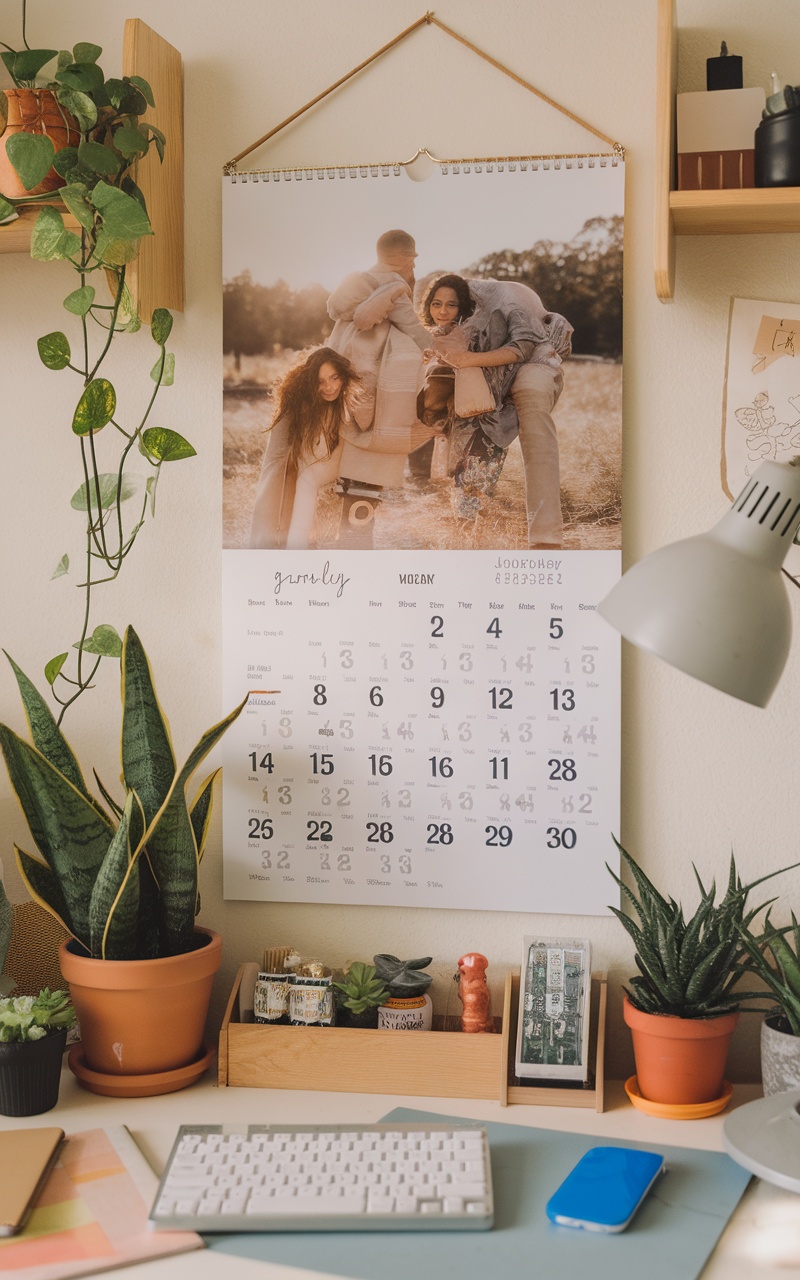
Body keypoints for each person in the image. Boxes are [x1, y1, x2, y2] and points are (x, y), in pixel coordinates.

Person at [412, 273, 573, 548]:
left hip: (534, 363)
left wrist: (468, 359)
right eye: (435, 304)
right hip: (489, 376)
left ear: (463, 297)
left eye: (449, 304)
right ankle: (470, 520)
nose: (441, 311)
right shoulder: (457, 318)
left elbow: (523, 347)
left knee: (534, 427)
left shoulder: (508, 297)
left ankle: (546, 537)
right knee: (472, 435)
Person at [326, 230, 437, 496]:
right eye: (412, 258)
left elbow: (332, 309)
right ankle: (365, 484)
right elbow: (412, 327)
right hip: (372, 364)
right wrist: (437, 352)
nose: (414, 264)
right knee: (372, 423)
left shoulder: (355, 281)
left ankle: (342, 478)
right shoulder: (392, 284)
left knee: (345, 420)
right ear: (404, 257)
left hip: (341, 358)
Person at [248, 347, 361, 550]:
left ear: (343, 376)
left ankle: (297, 544)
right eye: (321, 381)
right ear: (311, 382)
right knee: (282, 484)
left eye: (334, 378)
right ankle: (278, 546)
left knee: (306, 482)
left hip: (327, 461)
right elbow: (277, 453)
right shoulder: (298, 400)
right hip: (299, 459)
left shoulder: (350, 399)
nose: (329, 387)